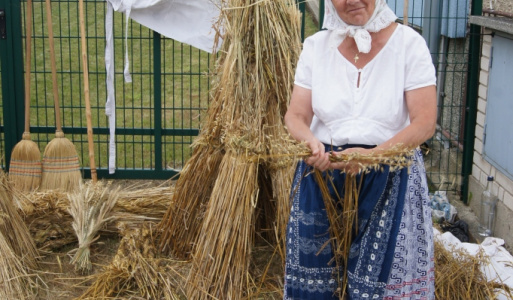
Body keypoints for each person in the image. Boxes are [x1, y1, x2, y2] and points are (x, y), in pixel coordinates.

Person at [283, 0, 437, 299]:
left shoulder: (409, 44)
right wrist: (309, 142)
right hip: (322, 175)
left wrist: (371, 157)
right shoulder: (316, 46)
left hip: (390, 176)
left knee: (379, 284)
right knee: (314, 281)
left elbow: (424, 123)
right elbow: (296, 115)